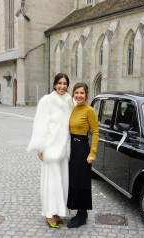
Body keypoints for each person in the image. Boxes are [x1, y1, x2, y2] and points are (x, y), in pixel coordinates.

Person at [26, 73, 74, 229]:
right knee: (50, 183)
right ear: (54, 85)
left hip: (64, 149)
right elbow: (40, 124)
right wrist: (40, 146)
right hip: (50, 147)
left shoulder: (70, 101)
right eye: (59, 83)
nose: (62, 86)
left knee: (62, 183)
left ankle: (57, 212)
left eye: (65, 83)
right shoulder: (47, 101)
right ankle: (48, 213)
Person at [67, 82, 99, 228]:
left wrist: (92, 153)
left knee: (81, 181)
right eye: (76, 93)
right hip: (72, 148)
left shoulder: (89, 110)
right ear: (73, 94)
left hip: (82, 148)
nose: (79, 95)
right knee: (73, 180)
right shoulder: (72, 109)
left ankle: (82, 214)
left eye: (82, 93)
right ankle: (79, 211)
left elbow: (96, 132)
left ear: (86, 95)